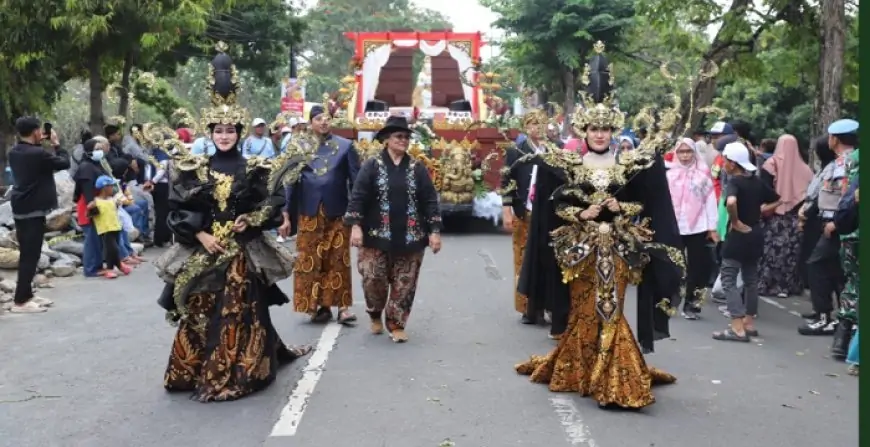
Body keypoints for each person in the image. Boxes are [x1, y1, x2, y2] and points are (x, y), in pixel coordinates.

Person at [515, 43, 681, 409]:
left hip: (619, 248)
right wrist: (582, 214)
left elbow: (643, 203)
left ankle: (614, 377)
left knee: (612, 309)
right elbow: (556, 203)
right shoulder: (568, 163)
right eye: (595, 128)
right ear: (584, 130)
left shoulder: (628, 163)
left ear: (613, 130)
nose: (601, 134)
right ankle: (581, 368)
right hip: (580, 251)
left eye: (606, 128)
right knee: (585, 310)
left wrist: (620, 205)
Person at [153, 46, 311, 402]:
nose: (224, 135)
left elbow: (272, 201)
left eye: (230, 130)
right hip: (204, 247)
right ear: (209, 132)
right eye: (218, 130)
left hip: (240, 251)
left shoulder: (255, 167)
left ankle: (236, 372)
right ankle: (191, 370)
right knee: (199, 307)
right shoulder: (195, 167)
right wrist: (201, 233)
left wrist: (250, 220)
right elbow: (176, 207)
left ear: (240, 132)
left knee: (239, 311)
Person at [344, 116, 443, 342]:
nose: (404, 140)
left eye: (407, 137)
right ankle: (375, 311)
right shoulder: (372, 165)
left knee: (405, 282)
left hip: (411, 237)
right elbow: (358, 196)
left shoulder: (417, 167)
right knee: (372, 277)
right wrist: (355, 226)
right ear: (387, 139)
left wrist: (434, 231)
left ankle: (396, 323)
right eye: (399, 136)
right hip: (375, 236)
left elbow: (429, 200)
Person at [283, 104, 361, 324]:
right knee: (311, 259)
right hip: (309, 211)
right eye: (318, 119)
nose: (323, 122)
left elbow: (356, 184)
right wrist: (285, 213)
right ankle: (320, 306)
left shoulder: (345, 146)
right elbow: (290, 182)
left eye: (327, 118)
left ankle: (343, 307)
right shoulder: (299, 147)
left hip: (338, 211)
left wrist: (357, 216)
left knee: (338, 259)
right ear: (311, 123)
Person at [712, 142, 781, 342]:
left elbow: (731, 202)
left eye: (725, 160)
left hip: (739, 236)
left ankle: (737, 327)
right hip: (756, 232)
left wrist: (735, 221)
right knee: (751, 279)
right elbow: (779, 200)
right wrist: (761, 210)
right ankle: (749, 323)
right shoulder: (757, 182)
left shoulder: (735, 182)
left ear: (733, 163)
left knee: (728, 279)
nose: (723, 163)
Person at [798, 119, 858, 336]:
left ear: (835, 139)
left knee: (817, 266)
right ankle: (843, 318)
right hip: (832, 222)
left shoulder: (847, 164)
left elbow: (846, 196)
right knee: (837, 271)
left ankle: (825, 316)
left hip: (838, 225)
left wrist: (836, 222)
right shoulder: (839, 162)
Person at [7, 117, 70, 313]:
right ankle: (20, 302)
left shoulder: (15, 151)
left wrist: (39, 143)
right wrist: (57, 145)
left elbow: (30, 155)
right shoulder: (38, 153)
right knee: (30, 256)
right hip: (32, 209)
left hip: (22, 207)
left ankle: (27, 295)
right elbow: (64, 163)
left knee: (30, 254)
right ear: (35, 132)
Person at [501, 109, 552, 325]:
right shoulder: (516, 151)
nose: (537, 128)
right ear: (526, 127)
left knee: (548, 259)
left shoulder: (554, 151)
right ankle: (527, 307)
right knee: (522, 260)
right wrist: (507, 210)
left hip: (548, 214)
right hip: (525, 211)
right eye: (533, 124)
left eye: (541, 123)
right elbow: (506, 181)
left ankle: (548, 304)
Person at [666, 138, 718, 320]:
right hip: (674, 226)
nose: (685, 155)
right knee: (673, 266)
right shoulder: (669, 175)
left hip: (698, 226)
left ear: (694, 153)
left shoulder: (703, 176)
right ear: (676, 153)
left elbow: (710, 203)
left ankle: (692, 305)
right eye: (681, 152)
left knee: (698, 268)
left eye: (688, 151)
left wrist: (712, 227)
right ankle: (671, 301)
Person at [757, 135, 814, 297]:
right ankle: (786, 286)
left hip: (773, 216)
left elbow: (764, 189)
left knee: (769, 252)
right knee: (790, 254)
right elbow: (809, 195)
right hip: (795, 219)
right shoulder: (805, 169)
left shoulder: (771, 165)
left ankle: (766, 284)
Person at [88, 175, 132, 277]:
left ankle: (119, 265)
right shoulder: (96, 201)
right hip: (105, 229)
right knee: (112, 249)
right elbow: (90, 214)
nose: (113, 188)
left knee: (114, 249)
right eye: (111, 186)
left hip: (116, 227)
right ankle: (109, 268)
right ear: (105, 188)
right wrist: (90, 208)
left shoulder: (112, 199)